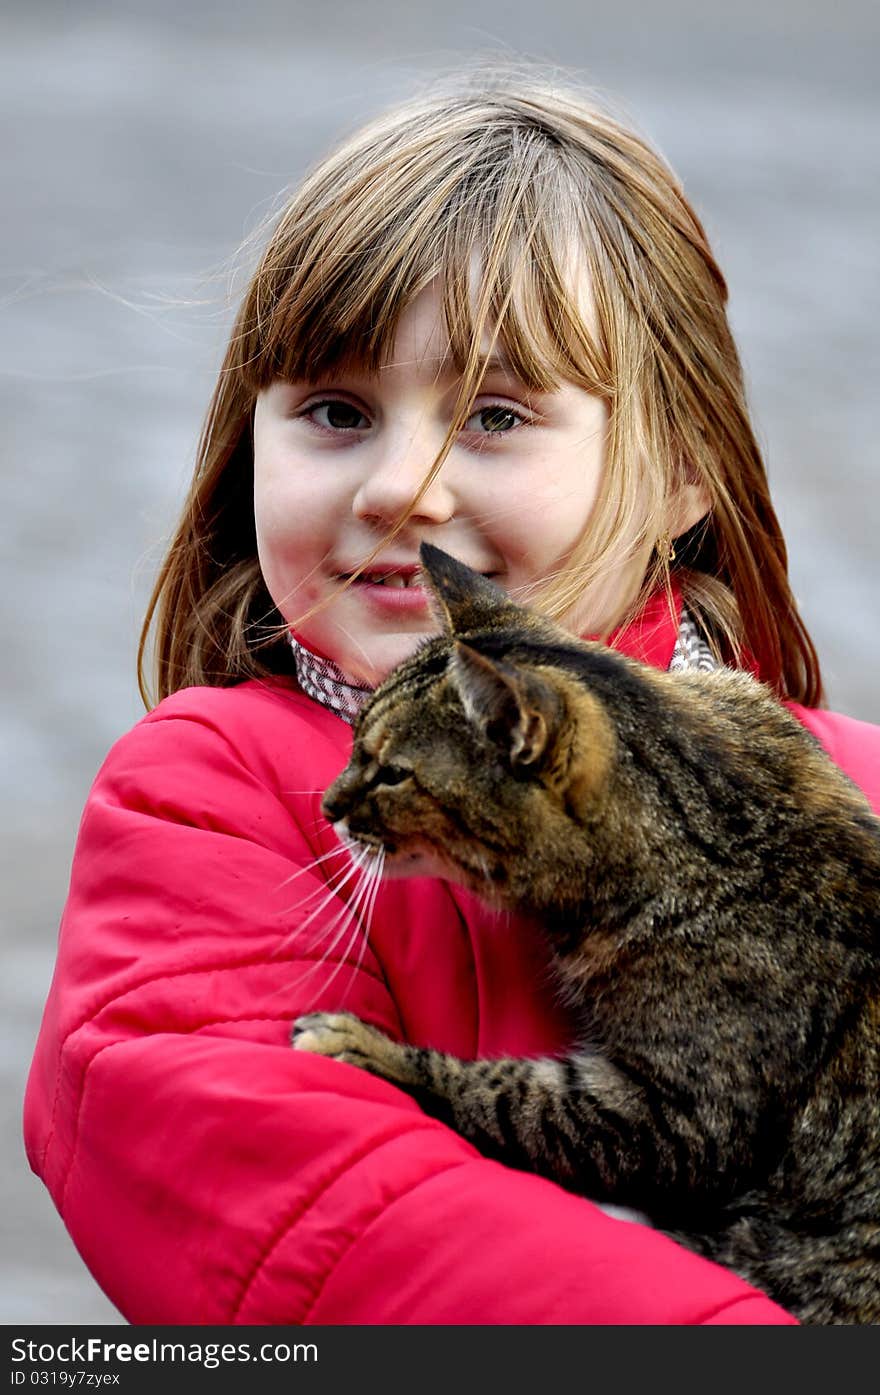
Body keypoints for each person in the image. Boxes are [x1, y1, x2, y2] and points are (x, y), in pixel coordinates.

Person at [24, 69, 880, 1325]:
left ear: (684, 471)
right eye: (333, 410)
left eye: (491, 415)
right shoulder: (211, 791)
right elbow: (309, 1202)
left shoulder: (855, 784)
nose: (399, 487)